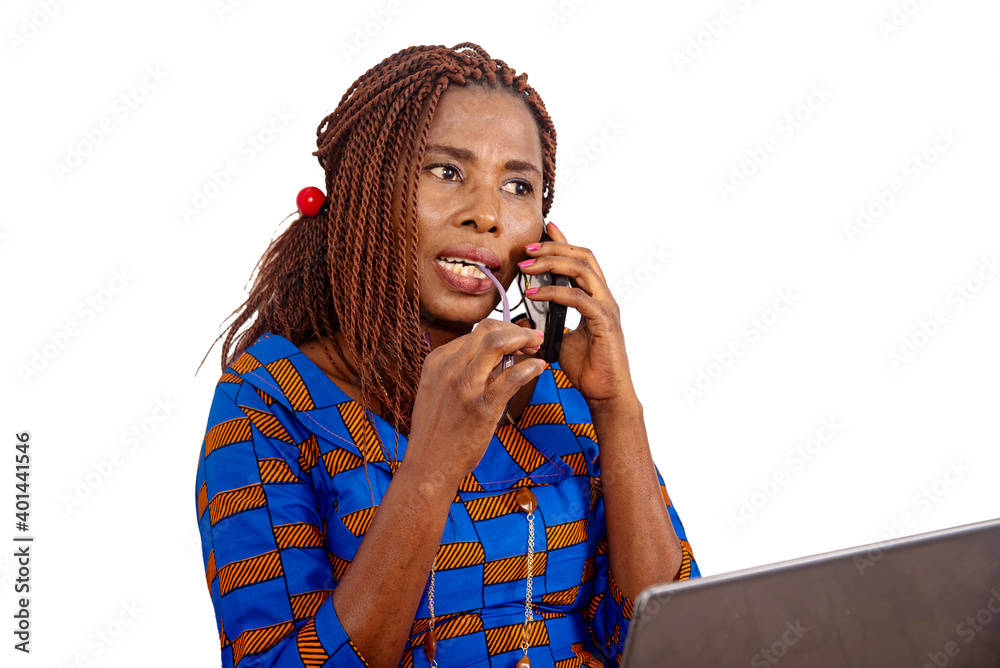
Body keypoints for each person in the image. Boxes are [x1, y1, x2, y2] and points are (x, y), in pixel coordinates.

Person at [193, 43, 700, 668]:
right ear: (365, 189)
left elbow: (675, 641)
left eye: (518, 185)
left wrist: (616, 407)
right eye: (445, 171)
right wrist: (431, 467)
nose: (486, 215)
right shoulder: (268, 402)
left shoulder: (559, 387)